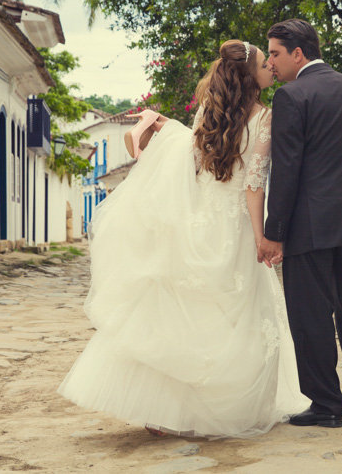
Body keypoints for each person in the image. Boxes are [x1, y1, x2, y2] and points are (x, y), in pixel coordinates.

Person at [58, 39, 307, 439]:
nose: (270, 68)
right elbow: (254, 183)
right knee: (234, 317)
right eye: (264, 62)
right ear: (250, 76)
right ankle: (215, 411)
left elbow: (191, 162)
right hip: (237, 224)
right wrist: (263, 236)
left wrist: (165, 129)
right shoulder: (266, 118)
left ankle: (166, 411)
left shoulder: (211, 112)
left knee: (182, 313)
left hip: (200, 222)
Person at [258, 19, 342, 429]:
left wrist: (273, 232)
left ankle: (326, 405)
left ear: (298, 53)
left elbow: (287, 169)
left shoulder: (291, 96)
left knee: (310, 316)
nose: (271, 61)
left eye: (276, 53)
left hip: (310, 225)